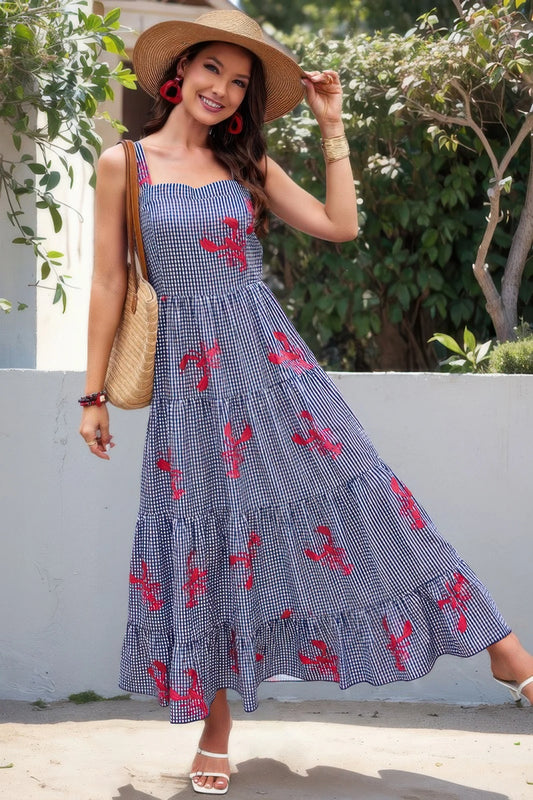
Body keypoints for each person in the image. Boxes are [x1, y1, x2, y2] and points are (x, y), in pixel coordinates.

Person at [79, 9, 533, 796]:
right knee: (204, 541)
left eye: (239, 81)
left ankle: (503, 649)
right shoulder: (124, 163)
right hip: (189, 385)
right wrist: (92, 394)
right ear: (179, 73)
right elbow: (108, 281)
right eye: (211, 69)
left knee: (368, 499)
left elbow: (339, 224)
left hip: (272, 366)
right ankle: (214, 729)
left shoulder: (244, 162)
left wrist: (331, 125)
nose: (223, 89)